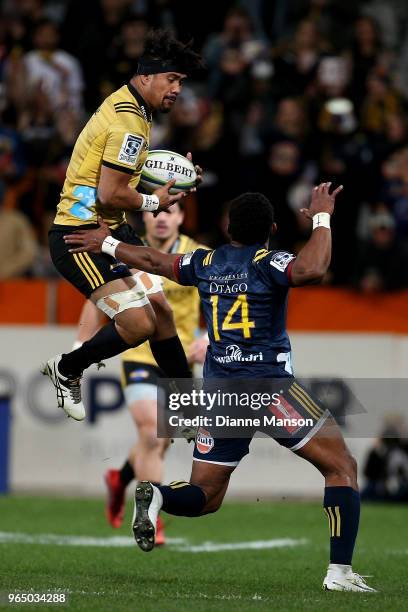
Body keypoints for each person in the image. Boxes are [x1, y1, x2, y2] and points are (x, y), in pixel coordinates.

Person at [64, 183, 377, 593]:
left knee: (205, 495)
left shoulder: (206, 262)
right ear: (272, 228)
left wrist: (105, 243)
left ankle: (158, 495)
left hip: (220, 394)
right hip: (268, 389)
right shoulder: (270, 261)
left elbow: (154, 260)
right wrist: (322, 217)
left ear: (229, 229)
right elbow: (312, 269)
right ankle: (339, 573)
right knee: (341, 468)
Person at [43, 29, 203, 421]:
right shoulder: (130, 123)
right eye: (172, 79)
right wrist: (156, 200)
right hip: (79, 236)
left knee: (161, 311)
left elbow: (119, 179)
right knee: (138, 323)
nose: (177, 90)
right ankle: (67, 369)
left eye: (181, 82)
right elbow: (110, 193)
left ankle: (188, 408)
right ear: (147, 76)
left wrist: (174, 179)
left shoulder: (131, 108)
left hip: (109, 228)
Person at [73, 202, 208, 543]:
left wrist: (207, 338)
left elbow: (224, 300)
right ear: (145, 215)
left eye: (171, 212)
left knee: (159, 443)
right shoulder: (126, 249)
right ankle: (152, 515)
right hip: (138, 353)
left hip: (178, 362)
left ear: (181, 217)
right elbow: (94, 299)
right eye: (156, 212)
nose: (161, 217)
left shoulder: (199, 254)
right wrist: (80, 346)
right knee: (152, 434)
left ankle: (120, 478)